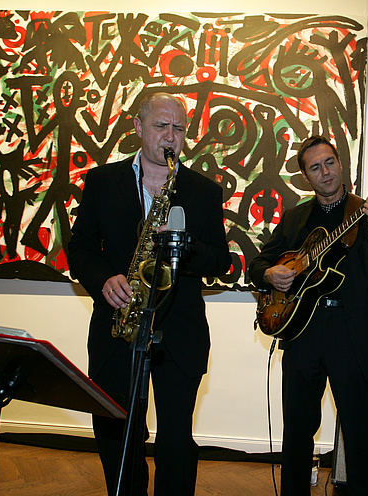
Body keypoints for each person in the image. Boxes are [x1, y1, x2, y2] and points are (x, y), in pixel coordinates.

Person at [67, 92, 231, 496]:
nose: (170, 136)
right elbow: (81, 248)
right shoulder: (102, 181)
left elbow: (220, 261)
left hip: (180, 332)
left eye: (179, 128)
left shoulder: (203, 191)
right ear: (138, 127)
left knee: (176, 440)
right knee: (116, 434)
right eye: (161, 126)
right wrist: (104, 279)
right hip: (118, 327)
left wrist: (182, 246)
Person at [248, 135, 368, 495]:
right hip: (302, 332)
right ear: (306, 177)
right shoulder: (295, 218)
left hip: (352, 334)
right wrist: (269, 274)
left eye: (330, 162)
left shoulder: (367, 211)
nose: (326, 172)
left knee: (360, 432)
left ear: (340, 164)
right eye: (315, 167)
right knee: (297, 430)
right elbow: (258, 262)